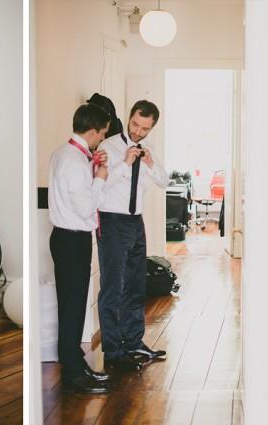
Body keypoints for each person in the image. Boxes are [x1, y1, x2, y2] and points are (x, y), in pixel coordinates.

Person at [97, 100, 169, 371]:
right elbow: (101, 183)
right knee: (113, 287)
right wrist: (126, 163)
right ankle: (114, 353)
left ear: (152, 128)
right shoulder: (109, 146)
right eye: (136, 125)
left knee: (137, 285)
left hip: (135, 222)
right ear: (129, 118)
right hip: (112, 221)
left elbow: (163, 180)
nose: (138, 132)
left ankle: (134, 341)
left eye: (145, 129)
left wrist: (149, 163)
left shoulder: (148, 149)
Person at [48, 103, 112, 394]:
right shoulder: (74, 162)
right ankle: (73, 373)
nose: (101, 138)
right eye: (102, 133)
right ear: (92, 131)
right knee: (73, 308)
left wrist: (92, 166)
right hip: (73, 240)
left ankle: (75, 361)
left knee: (70, 306)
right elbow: (86, 207)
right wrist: (100, 179)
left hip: (63, 237)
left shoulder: (64, 154)